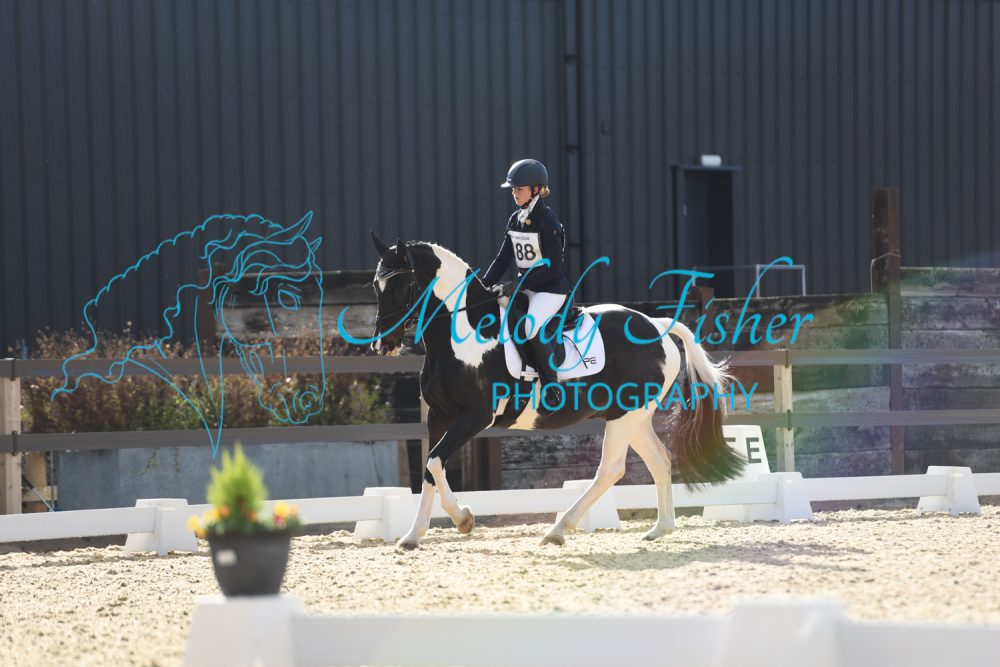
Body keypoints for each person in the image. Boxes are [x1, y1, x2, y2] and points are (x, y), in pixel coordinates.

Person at [482, 158, 570, 411]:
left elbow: (553, 267)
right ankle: (516, 383)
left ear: (536, 189)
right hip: (526, 287)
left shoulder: (548, 221)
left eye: (519, 188)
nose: (514, 193)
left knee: (530, 327)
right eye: (513, 189)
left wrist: (519, 283)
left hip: (550, 290)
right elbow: (503, 259)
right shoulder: (515, 220)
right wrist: (482, 285)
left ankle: (551, 387)